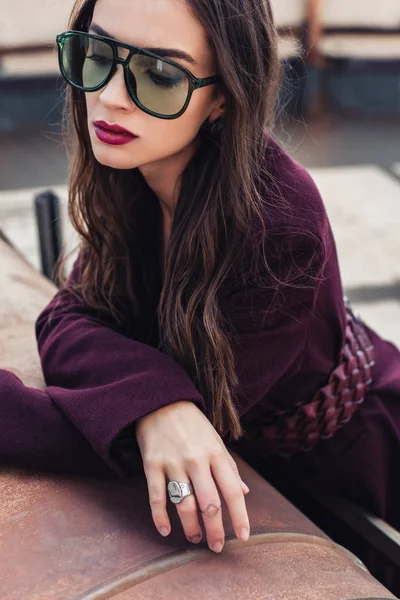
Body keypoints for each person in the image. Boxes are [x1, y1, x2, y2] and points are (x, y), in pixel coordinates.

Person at [1, 0, 399, 590]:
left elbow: (121, 450)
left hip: (359, 451)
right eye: (98, 53)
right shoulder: (132, 163)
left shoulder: (277, 222)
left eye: (160, 76)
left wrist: (152, 410)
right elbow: (69, 313)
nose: (110, 97)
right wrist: (161, 405)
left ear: (222, 98)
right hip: (264, 451)